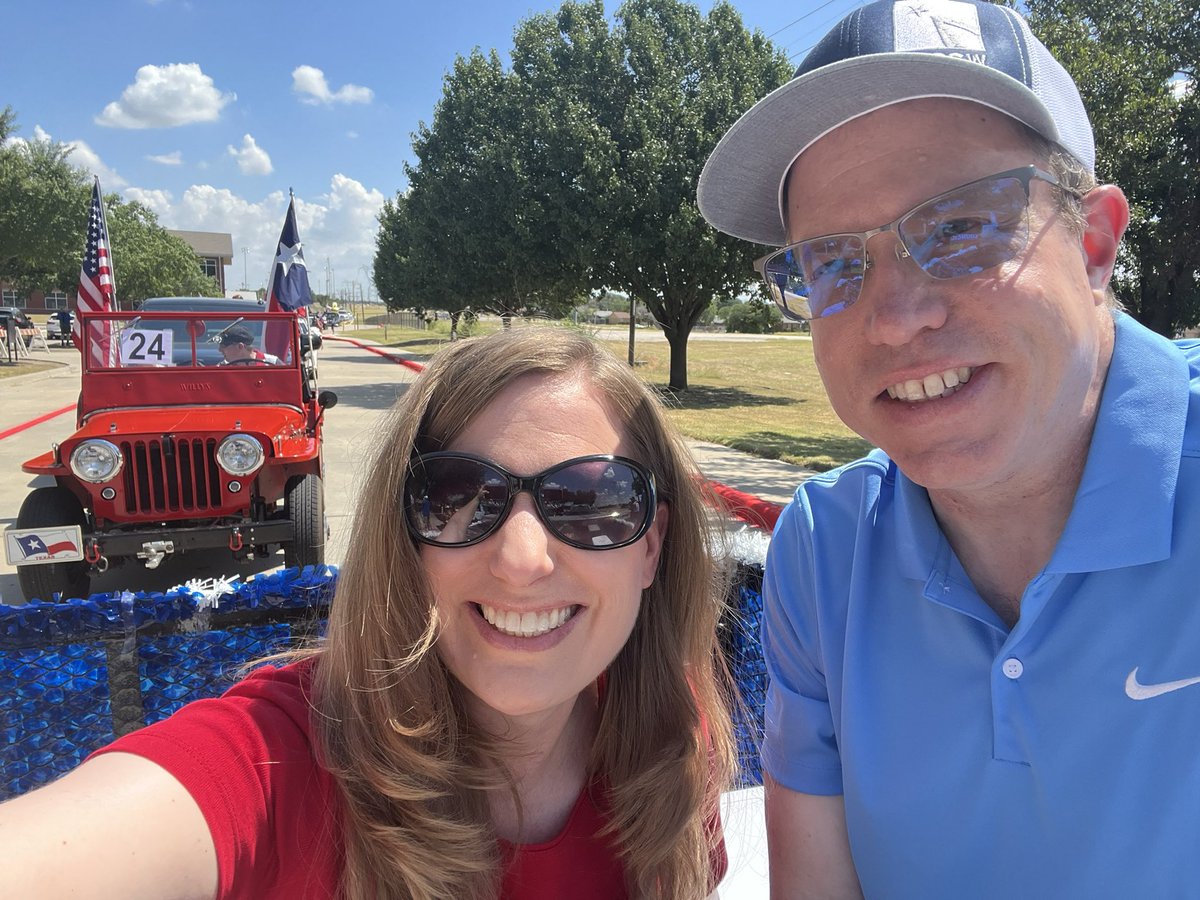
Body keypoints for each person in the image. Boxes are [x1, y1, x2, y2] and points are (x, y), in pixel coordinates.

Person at [698, 0, 1198, 896]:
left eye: (962, 227)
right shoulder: (827, 546)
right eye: (834, 261)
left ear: (1093, 244)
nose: (896, 317)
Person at [0, 327, 736, 900]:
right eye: (457, 496)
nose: (521, 558)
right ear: (402, 537)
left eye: (590, 502)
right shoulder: (281, 758)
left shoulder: (669, 742)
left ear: (653, 546)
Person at [217, 323, 282, 365]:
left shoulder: (272, 362)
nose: (220, 350)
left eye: (224, 346)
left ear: (240, 346)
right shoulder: (223, 367)